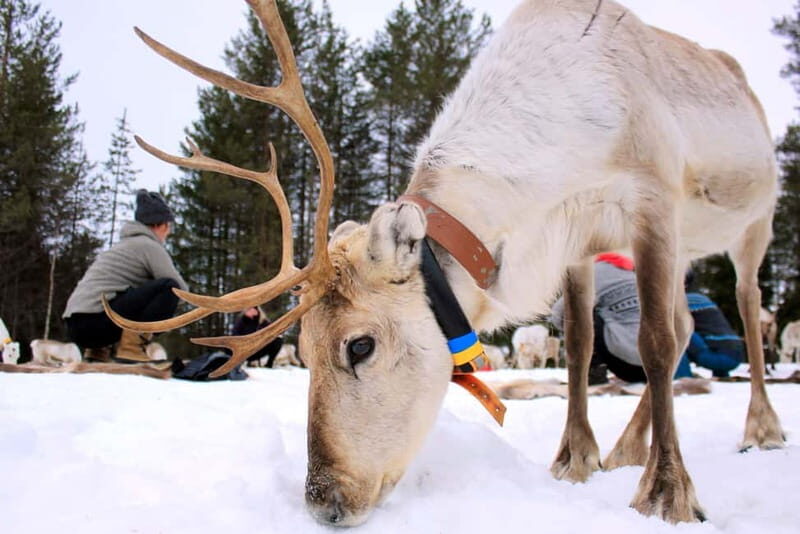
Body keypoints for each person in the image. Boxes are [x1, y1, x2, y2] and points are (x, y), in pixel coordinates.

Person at [550, 254, 741, 384]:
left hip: (627, 364)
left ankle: (592, 374)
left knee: (583, 313)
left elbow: (558, 315)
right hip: (660, 368)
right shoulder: (640, 277)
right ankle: (681, 374)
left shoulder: (590, 273)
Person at [63, 190, 188, 362]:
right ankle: (131, 349)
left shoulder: (122, 246)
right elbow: (182, 292)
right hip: (97, 323)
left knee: (120, 292)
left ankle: (97, 352)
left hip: (75, 327)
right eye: (168, 228)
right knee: (169, 287)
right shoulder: (149, 246)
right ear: (161, 225)